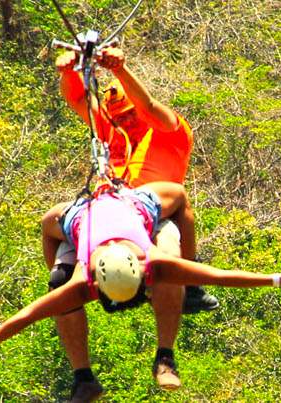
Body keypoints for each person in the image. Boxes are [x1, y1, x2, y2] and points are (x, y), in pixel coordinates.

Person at [0, 182, 281, 386]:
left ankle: (165, 353)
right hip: (84, 217)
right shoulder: (81, 279)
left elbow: (219, 275)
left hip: (133, 205)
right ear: (95, 282)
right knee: (51, 245)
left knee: (179, 201)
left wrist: (276, 279)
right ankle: (83, 378)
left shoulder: (154, 261)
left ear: (142, 273)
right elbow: (28, 315)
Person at [39, 45, 215, 400]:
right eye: (119, 117)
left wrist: (120, 70)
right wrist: (68, 71)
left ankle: (165, 355)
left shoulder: (172, 132)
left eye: (129, 116)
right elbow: (78, 99)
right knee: (58, 277)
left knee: (168, 261)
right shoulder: (110, 135)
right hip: (104, 216)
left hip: (151, 216)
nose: (126, 122)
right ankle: (83, 376)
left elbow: (149, 108)